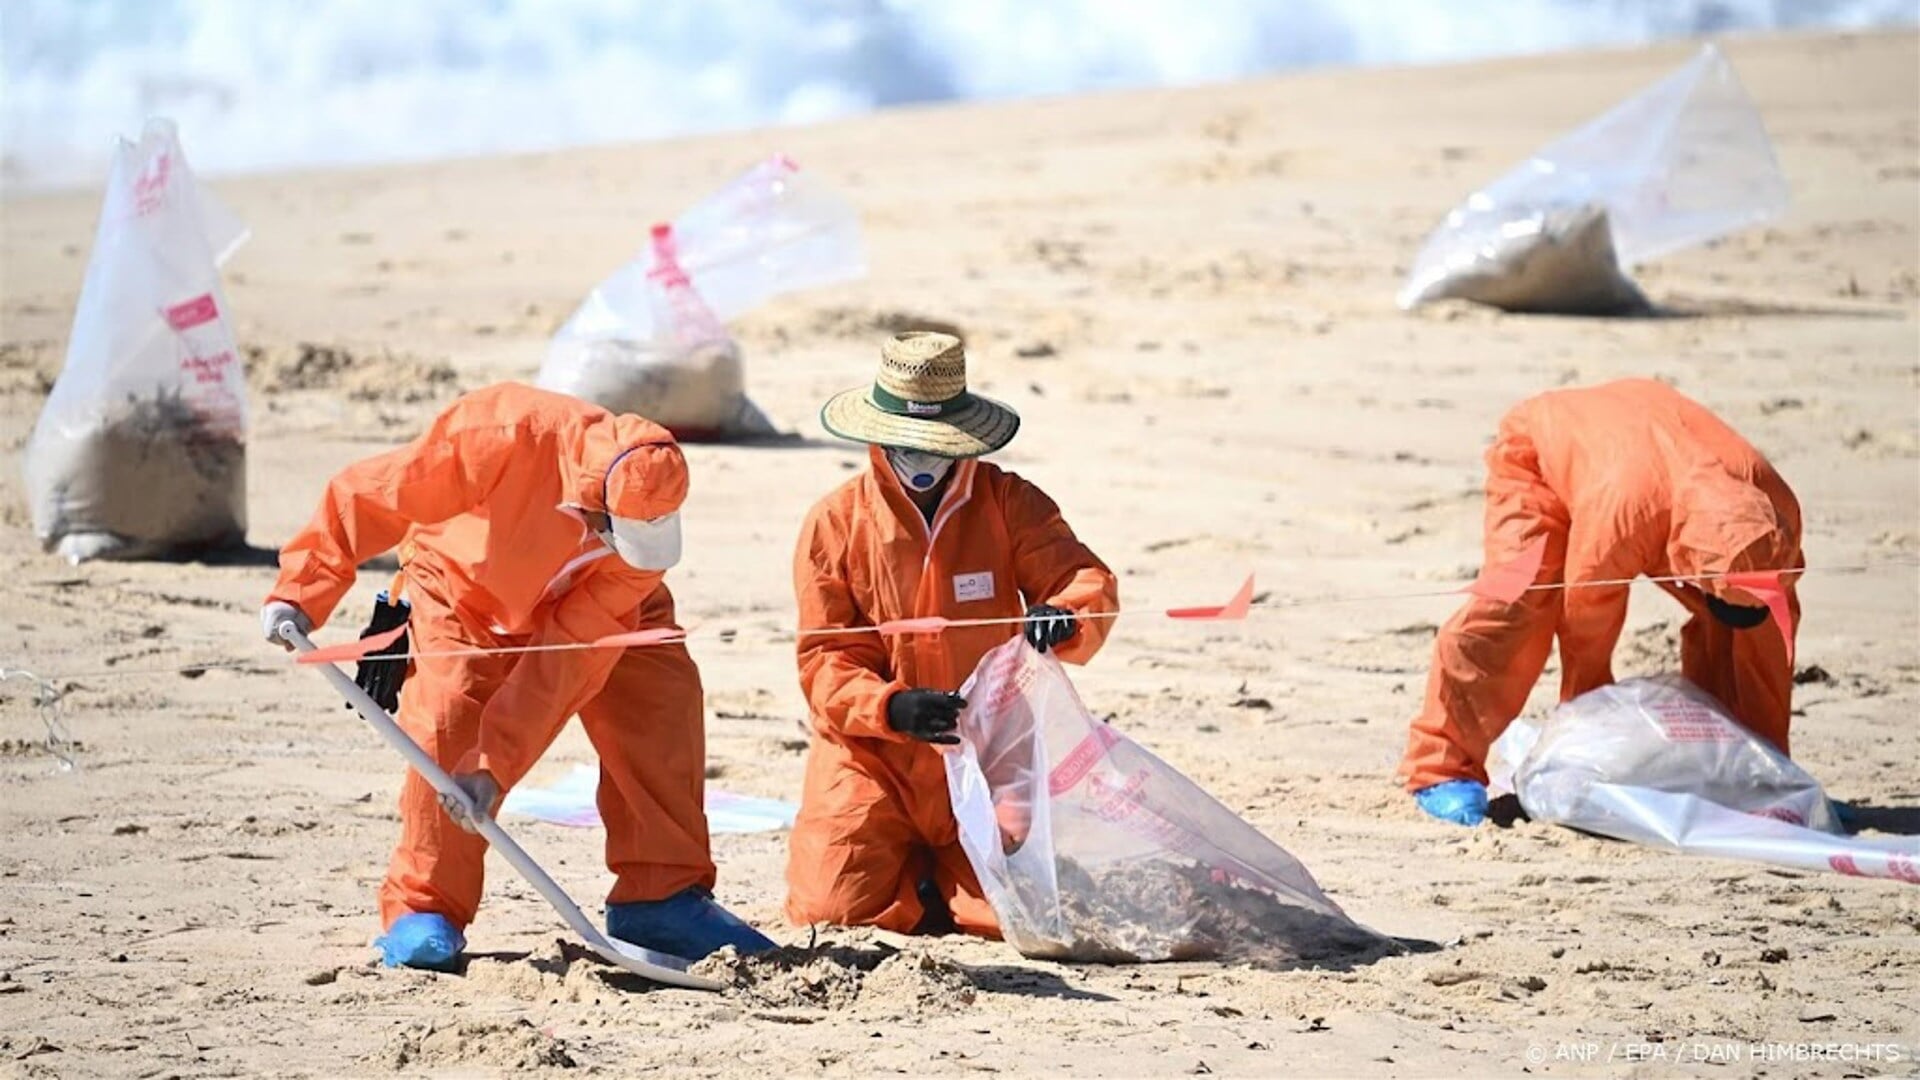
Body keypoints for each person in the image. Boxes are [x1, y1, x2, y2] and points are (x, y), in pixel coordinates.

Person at [259, 383, 773, 969]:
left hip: (594, 602)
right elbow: (366, 495)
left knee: (659, 702)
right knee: (448, 727)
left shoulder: (636, 556)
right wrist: (301, 591)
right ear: (591, 504)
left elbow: (566, 661)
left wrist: (496, 765)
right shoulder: (496, 437)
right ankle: (424, 908)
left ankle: (662, 896)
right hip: (464, 593)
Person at [786, 331, 1119, 935]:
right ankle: (918, 877)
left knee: (1020, 918)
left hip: (987, 754)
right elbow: (824, 661)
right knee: (829, 911)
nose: (920, 459)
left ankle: (944, 879)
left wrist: (1064, 614)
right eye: (905, 444)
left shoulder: (1007, 502)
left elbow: (1083, 579)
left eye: (933, 444)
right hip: (874, 759)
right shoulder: (834, 523)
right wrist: (890, 706)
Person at [1401, 379, 1804, 826]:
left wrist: (1775, 774)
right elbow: (1586, 615)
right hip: (1544, 452)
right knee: (1516, 602)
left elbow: (1770, 639)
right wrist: (1587, 741)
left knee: (1741, 629)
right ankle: (1440, 767)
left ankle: (1742, 773)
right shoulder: (1629, 511)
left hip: (1649, 451)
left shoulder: (1775, 504)